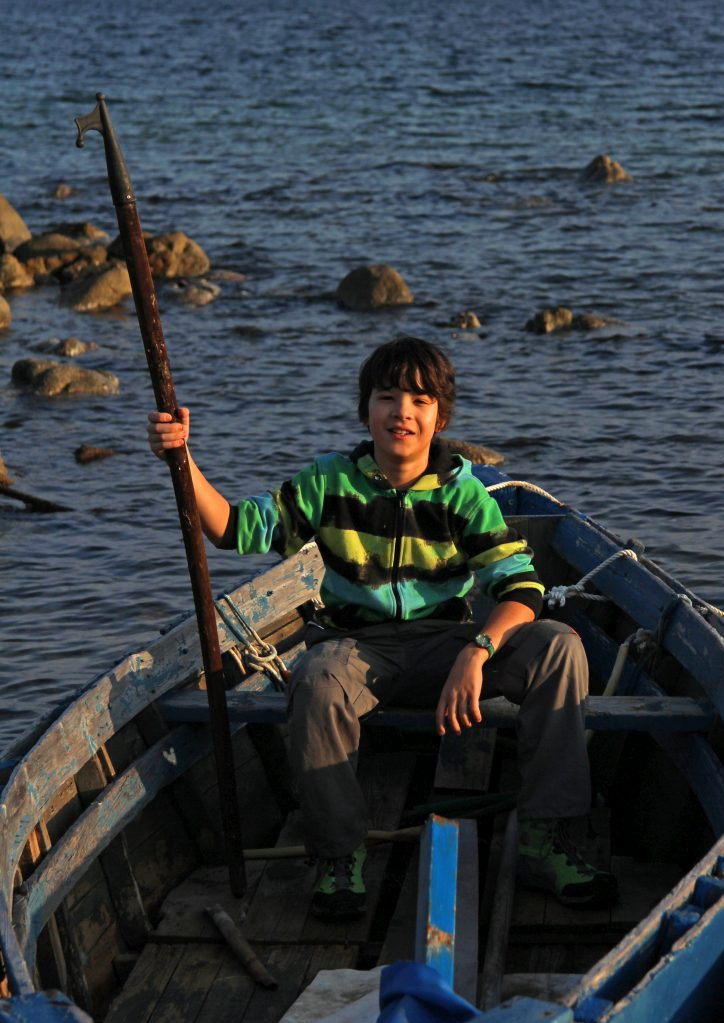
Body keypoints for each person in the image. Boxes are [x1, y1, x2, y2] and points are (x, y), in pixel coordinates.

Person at [147, 335, 617, 919]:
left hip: (448, 643)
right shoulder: (331, 482)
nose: (403, 413)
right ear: (365, 409)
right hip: (356, 650)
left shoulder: (462, 493)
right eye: (387, 397)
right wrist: (182, 458)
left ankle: (545, 839)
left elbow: (522, 588)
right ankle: (340, 855)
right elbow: (235, 529)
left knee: (560, 648)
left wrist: (476, 651)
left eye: (420, 402)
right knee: (314, 682)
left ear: (440, 417)